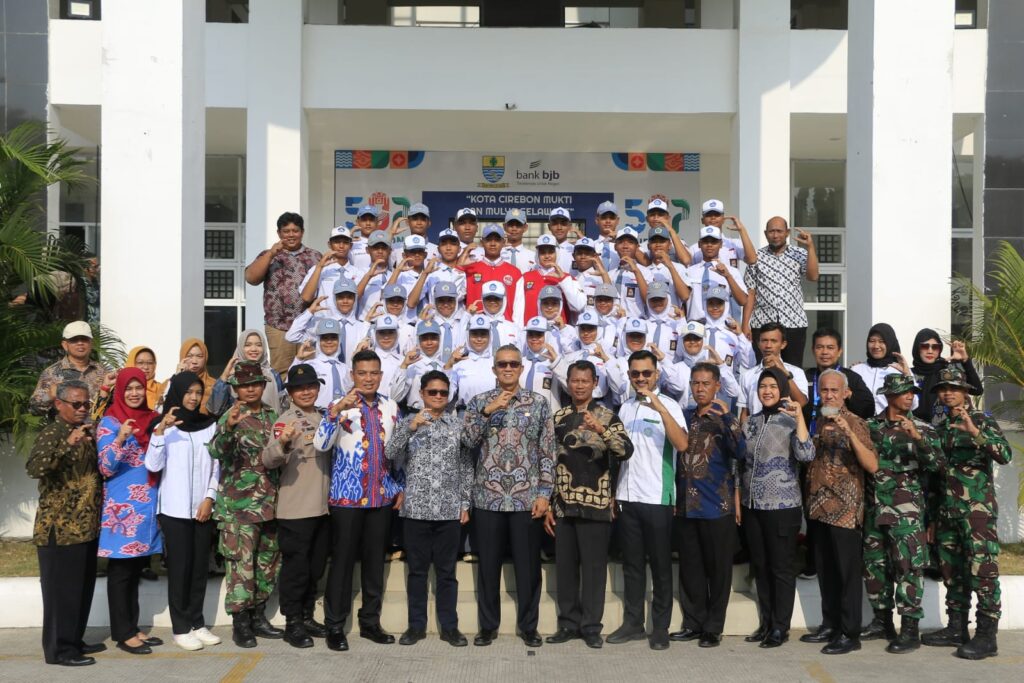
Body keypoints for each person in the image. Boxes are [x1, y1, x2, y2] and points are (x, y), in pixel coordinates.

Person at [462, 345, 556, 648]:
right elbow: (467, 442)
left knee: (528, 568)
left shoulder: (538, 403)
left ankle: (529, 627)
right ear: (494, 369)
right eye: (502, 364)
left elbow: (547, 451)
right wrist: (488, 412)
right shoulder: (479, 402)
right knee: (488, 567)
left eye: (513, 364)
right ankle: (487, 627)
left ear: (521, 368)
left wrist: (544, 494)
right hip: (487, 497)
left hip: (526, 498)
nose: (508, 368)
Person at [315, 350, 404, 652]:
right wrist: (336, 412)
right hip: (347, 499)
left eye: (373, 373)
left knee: (374, 564)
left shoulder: (391, 406)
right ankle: (334, 625)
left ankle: (370, 623)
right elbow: (320, 444)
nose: (368, 378)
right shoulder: (339, 406)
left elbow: (397, 452)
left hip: (381, 497)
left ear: (381, 375)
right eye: (362, 373)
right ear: (352, 375)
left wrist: (400, 486)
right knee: (342, 563)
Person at [922, 367, 1012, 660]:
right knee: (952, 572)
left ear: (965, 392)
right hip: (947, 513)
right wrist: (932, 519)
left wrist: (975, 433)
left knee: (983, 572)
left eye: (954, 388)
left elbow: (1004, 454)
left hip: (977, 513)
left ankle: (987, 636)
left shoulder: (982, 420)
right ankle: (956, 628)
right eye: (943, 389)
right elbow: (936, 477)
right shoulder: (940, 428)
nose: (948, 393)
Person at [544, 360, 633, 649]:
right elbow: (547, 460)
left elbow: (625, 451)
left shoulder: (607, 416)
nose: (579, 385)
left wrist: (601, 430)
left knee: (594, 570)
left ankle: (592, 627)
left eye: (585, 381)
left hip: (596, 505)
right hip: (564, 504)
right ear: (568, 383)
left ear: (595, 383)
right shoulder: (558, 417)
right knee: (566, 569)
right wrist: (548, 502)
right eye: (575, 380)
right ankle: (568, 624)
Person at [607, 350, 688, 651]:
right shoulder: (625, 408)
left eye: (646, 373)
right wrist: (614, 494)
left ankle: (661, 627)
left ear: (657, 374)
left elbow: (682, 444)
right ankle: (633, 624)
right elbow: (619, 453)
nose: (641, 378)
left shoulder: (671, 405)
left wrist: (659, 408)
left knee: (661, 565)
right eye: (635, 374)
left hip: (657, 497)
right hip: (627, 497)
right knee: (632, 565)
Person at [386, 371, 474, 647]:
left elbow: (466, 466)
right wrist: (410, 428)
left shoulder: (457, 425)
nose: (438, 396)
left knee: (447, 573)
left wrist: (465, 502)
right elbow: (390, 454)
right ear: (422, 393)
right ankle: (416, 626)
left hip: (448, 509)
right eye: (432, 392)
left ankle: (450, 627)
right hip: (416, 509)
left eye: (443, 393)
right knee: (417, 572)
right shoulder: (408, 422)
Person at [861, 373, 944, 653]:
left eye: (912, 392)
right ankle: (882, 621)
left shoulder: (924, 428)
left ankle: (909, 629)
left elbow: (937, 467)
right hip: (875, 507)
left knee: (908, 567)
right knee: (875, 566)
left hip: (907, 511)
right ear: (888, 396)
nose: (909, 396)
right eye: (903, 392)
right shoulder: (871, 427)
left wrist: (917, 438)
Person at [799, 370, 878, 655]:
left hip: (845, 511)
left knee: (846, 574)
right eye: (824, 390)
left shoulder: (855, 422)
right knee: (826, 571)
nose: (829, 395)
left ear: (846, 393)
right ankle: (830, 624)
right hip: (819, 508)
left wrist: (849, 433)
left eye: (834, 390)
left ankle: (849, 632)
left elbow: (872, 464)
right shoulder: (819, 420)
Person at [27, 380, 103, 667]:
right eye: (76, 403)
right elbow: (35, 468)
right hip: (59, 529)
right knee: (61, 594)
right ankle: (59, 650)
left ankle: (74, 640)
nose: (83, 408)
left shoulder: (86, 432)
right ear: (59, 404)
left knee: (80, 590)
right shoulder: (54, 433)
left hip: (85, 526)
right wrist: (67, 445)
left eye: (86, 403)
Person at [737, 367, 815, 648]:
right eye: (762, 386)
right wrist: (738, 499)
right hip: (752, 505)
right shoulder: (750, 422)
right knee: (760, 566)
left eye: (772, 386)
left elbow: (806, 454)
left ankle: (780, 627)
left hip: (782, 506)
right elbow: (740, 464)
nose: (767, 391)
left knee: (781, 568)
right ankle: (767, 623)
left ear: (781, 389)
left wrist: (800, 417)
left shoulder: (791, 420)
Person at [144, 372, 221, 651]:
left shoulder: (209, 425)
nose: (193, 397)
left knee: (199, 568)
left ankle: (197, 623)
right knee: (180, 569)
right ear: (177, 392)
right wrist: (160, 432)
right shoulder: (164, 426)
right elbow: (152, 465)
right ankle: (180, 628)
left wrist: (209, 498)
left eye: (198, 393)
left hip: (202, 509)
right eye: (188, 392)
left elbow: (216, 466)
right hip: (174, 510)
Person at [209, 361, 283, 648]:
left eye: (255, 384)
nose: (250, 389)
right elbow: (217, 450)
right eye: (244, 385)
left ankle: (258, 616)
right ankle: (240, 622)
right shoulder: (231, 415)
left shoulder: (272, 415)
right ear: (236, 389)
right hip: (238, 508)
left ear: (263, 385)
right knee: (241, 567)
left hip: (268, 504)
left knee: (267, 563)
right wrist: (229, 427)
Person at [671, 363, 743, 648]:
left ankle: (713, 627)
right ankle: (693, 623)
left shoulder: (724, 418)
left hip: (717, 505)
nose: (700, 388)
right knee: (691, 569)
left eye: (705, 383)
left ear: (717, 386)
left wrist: (728, 419)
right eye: (695, 383)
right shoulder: (685, 416)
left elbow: (741, 451)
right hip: (686, 506)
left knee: (718, 570)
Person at [261, 364, 331, 649]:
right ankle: (293, 623)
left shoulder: (324, 417)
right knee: (296, 570)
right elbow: (268, 459)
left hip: (323, 508)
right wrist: (283, 443)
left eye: (311, 386)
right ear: (289, 393)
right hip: (296, 509)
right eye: (299, 388)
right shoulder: (286, 421)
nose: (306, 391)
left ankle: (307, 615)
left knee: (315, 568)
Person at [95, 368, 162, 655]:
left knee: (135, 571)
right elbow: (105, 467)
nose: (134, 393)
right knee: (121, 571)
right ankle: (123, 633)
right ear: (119, 391)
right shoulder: (109, 422)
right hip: (122, 511)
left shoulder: (151, 418)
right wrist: (121, 438)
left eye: (139, 388)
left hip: (146, 508)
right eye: (128, 389)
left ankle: (132, 627)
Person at [798, 327, 874, 580]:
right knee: (813, 512)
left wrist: (844, 407)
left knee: (844, 537)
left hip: (843, 463)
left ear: (839, 351)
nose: (825, 352)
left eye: (830, 347)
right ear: (813, 350)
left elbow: (867, 408)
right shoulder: (806, 376)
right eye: (820, 347)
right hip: (813, 454)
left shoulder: (850, 377)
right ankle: (812, 561)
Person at [244, 212, 323, 374]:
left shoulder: (315, 256)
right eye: (286, 231)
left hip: (308, 325)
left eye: (295, 231)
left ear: (302, 232)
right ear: (279, 233)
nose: (291, 235)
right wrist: (271, 254)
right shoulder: (268, 255)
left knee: (310, 371)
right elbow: (251, 278)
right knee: (281, 372)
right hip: (278, 326)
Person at [741, 217, 818, 366]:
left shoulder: (799, 254)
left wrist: (810, 247)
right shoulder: (756, 257)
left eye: (779, 231)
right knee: (764, 368)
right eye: (771, 231)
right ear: (765, 233)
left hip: (793, 322)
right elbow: (751, 292)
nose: (775, 235)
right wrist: (745, 325)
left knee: (792, 369)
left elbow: (813, 276)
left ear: (787, 233)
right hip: (762, 323)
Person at [29, 321, 110, 417]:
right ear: (65, 345)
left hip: (97, 426)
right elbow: (33, 409)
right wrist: (49, 396)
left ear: (91, 343)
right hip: (64, 426)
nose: (80, 343)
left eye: (84, 339)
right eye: (74, 340)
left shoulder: (103, 372)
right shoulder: (51, 373)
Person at [738, 323, 809, 421]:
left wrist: (784, 372)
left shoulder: (797, 372)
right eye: (764, 341)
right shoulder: (747, 376)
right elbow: (745, 412)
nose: (768, 346)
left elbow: (802, 402)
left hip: (785, 428)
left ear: (783, 344)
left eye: (773, 341)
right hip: (755, 428)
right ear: (758, 344)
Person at [909, 330, 983, 422]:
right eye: (925, 346)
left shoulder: (947, 370)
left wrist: (965, 361)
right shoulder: (909, 373)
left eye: (935, 347)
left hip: (946, 427)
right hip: (916, 428)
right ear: (917, 349)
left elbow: (977, 390)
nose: (930, 351)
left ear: (940, 349)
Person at [209, 330, 286, 416]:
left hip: (270, 423)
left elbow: (283, 407)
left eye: (259, 345)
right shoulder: (231, 376)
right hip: (237, 423)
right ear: (240, 348)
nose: (254, 349)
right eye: (247, 345)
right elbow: (215, 409)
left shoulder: (273, 375)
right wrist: (224, 377)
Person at [681, 225, 747, 322]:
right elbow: (683, 301)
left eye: (714, 242)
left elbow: (743, 301)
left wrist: (728, 276)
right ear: (699, 244)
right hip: (695, 326)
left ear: (721, 244)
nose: (709, 245)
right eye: (705, 241)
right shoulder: (689, 271)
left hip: (722, 325)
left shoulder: (731, 271)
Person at [298, 225, 367, 317]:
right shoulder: (318, 269)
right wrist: (319, 268)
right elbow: (306, 298)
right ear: (329, 244)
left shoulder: (359, 273)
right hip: (323, 323)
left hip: (349, 324)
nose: (341, 246)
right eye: (337, 242)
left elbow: (359, 300)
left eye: (345, 242)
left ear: (351, 245)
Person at [850, 323, 915, 415]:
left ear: (890, 343)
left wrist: (907, 374)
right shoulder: (856, 370)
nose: (876, 346)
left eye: (882, 341)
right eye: (872, 341)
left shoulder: (900, 371)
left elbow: (914, 405)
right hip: (860, 422)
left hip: (890, 423)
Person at [176, 339, 218, 415]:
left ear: (205, 358)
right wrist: (177, 379)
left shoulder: (215, 385)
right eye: (189, 356)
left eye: (199, 356)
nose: (194, 361)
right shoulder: (169, 384)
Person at [126, 346, 167, 412]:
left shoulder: (162, 388)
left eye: (150, 363)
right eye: (140, 363)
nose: (146, 367)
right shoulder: (122, 389)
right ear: (131, 364)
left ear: (155, 365)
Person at [546, 207, 577, 272]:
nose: (559, 228)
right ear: (549, 227)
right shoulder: (541, 252)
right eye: (555, 223)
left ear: (569, 226)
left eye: (563, 223)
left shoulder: (577, 251)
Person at [593, 201, 621, 271]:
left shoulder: (625, 246)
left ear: (617, 221)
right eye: (604, 217)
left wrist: (619, 241)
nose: (608, 221)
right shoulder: (591, 245)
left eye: (612, 218)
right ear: (597, 220)